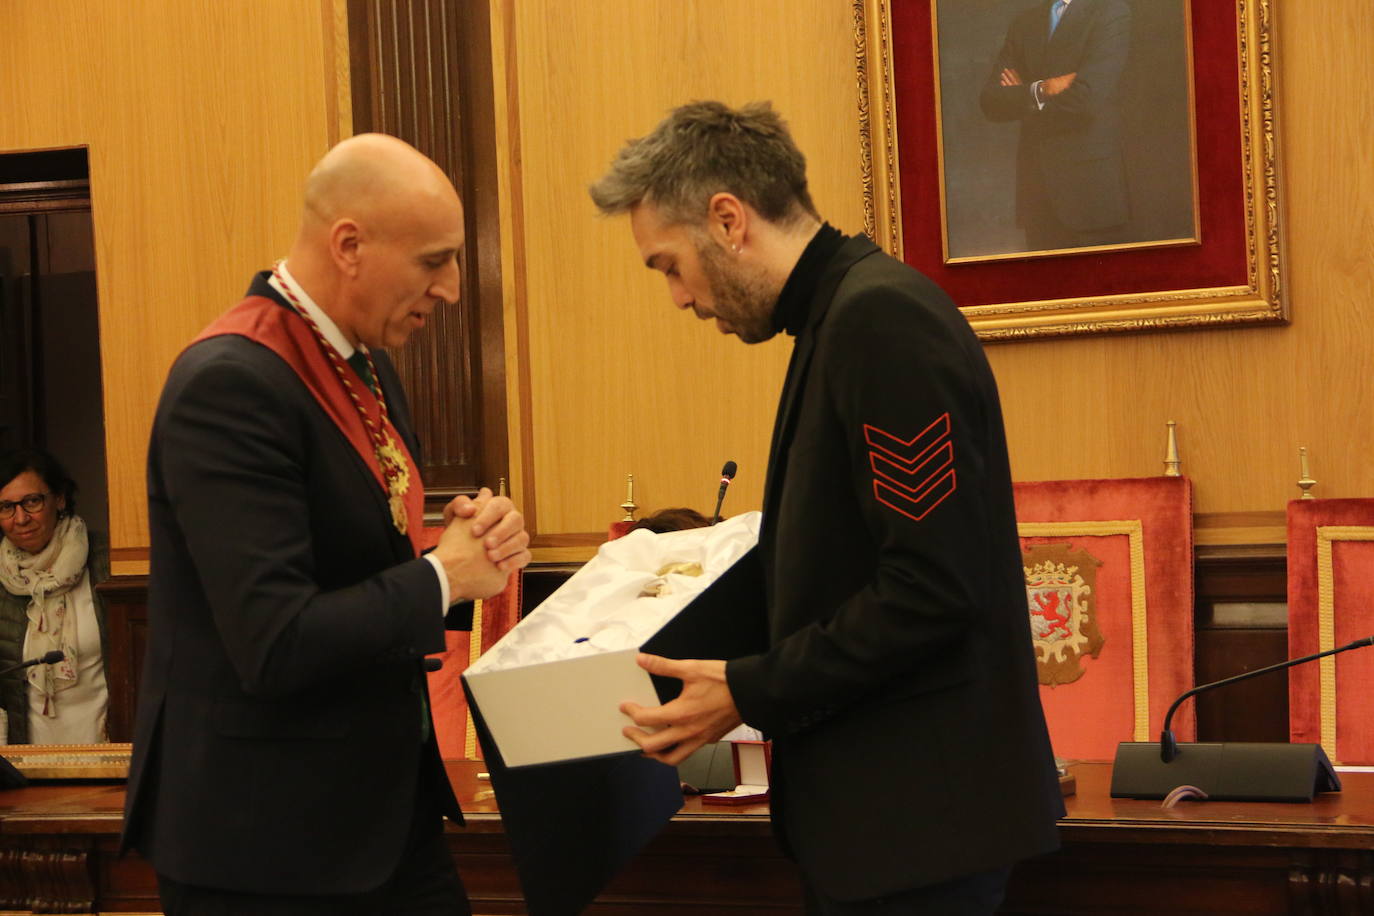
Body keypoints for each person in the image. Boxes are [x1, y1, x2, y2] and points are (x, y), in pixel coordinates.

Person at [590, 101, 1063, 915]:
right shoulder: (835, 319)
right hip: (891, 829)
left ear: (728, 220)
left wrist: (751, 689)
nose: (677, 297)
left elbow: (932, 587)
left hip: (920, 831)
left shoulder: (879, 320)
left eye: (669, 265)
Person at [122, 133, 530, 915]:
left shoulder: (364, 363)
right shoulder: (229, 383)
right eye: (433, 260)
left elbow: (359, 554)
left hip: (377, 821)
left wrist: (464, 542)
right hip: (267, 849)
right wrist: (443, 574)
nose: (450, 288)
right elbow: (274, 641)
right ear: (349, 245)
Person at [978, 0, 1132, 251]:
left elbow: (1087, 98)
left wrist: (1023, 94)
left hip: (1091, 190)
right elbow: (990, 101)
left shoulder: (1111, 11)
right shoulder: (1024, 21)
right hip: (1037, 190)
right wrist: (1042, 88)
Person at [0, 447, 109, 745]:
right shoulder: (1, 576)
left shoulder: (106, 560)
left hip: (109, 747)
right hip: (30, 758)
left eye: (32, 501)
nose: (20, 518)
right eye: (6, 507)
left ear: (59, 498)